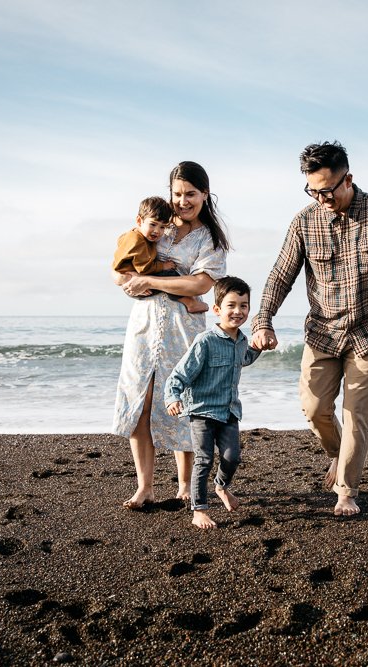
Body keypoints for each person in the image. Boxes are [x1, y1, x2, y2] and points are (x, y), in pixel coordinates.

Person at [250, 141, 368, 516]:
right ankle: (337, 453)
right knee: (314, 408)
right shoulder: (304, 221)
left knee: (356, 413)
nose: (321, 197)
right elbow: (281, 275)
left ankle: (347, 490)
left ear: (348, 179)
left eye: (327, 189)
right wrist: (263, 319)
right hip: (323, 332)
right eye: (313, 190)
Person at [112, 161, 231, 509]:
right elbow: (121, 272)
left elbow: (201, 283)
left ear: (204, 195)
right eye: (177, 194)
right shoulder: (156, 226)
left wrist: (150, 281)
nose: (182, 201)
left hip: (183, 330)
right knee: (141, 402)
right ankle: (145, 487)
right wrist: (136, 281)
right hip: (144, 327)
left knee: (183, 402)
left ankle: (184, 485)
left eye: (190, 194)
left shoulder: (210, 240)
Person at [165, 276, 261, 529]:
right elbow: (179, 374)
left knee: (232, 457)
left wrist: (260, 346)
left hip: (229, 410)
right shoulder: (205, 341)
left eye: (243, 305)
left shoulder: (241, 340)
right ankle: (199, 510)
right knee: (204, 459)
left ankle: (221, 486)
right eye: (231, 305)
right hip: (202, 411)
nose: (238, 311)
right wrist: (172, 397)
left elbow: (245, 358)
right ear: (217, 310)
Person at [111, 196, 208, 314]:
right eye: (152, 224)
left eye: (162, 227)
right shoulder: (138, 241)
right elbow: (144, 268)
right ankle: (190, 302)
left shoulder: (132, 235)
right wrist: (163, 266)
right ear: (139, 221)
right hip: (135, 282)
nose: (157, 231)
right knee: (170, 275)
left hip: (133, 283)